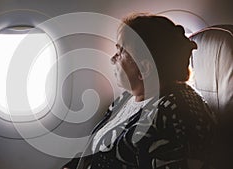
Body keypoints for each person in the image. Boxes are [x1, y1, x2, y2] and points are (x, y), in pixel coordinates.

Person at [62, 13, 216, 169]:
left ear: (144, 68)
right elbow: (94, 150)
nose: (112, 59)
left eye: (121, 51)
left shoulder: (176, 112)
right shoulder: (126, 99)